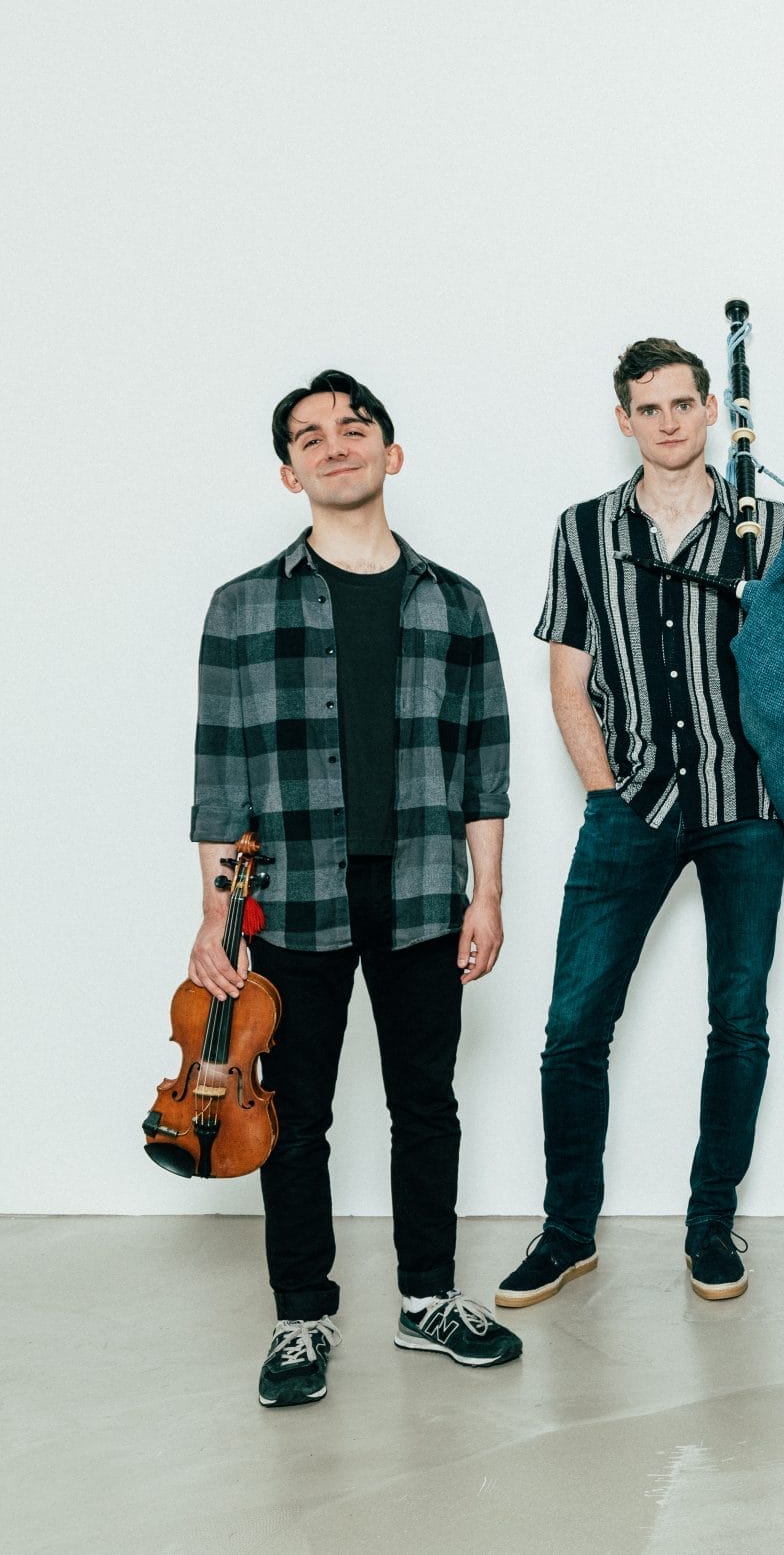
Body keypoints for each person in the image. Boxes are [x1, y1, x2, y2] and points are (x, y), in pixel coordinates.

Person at [192, 370, 519, 1408]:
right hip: (289, 898)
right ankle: (302, 1321)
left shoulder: (455, 603)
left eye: (354, 427)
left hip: (425, 889)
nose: (335, 444)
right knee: (293, 1114)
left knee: (427, 1103)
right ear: (289, 470)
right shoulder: (242, 606)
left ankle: (429, 1302)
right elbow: (220, 773)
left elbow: (485, 762)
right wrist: (214, 917)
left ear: (392, 451)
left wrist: (489, 893)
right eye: (310, 436)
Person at [497, 337, 784, 1309]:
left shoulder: (773, 527)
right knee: (574, 1029)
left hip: (746, 807)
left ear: (708, 411)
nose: (669, 422)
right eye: (648, 408)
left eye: (684, 404)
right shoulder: (581, 531)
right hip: (634, 800)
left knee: (737, 1022)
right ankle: (568, 1233)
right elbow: (567, 683)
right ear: (625, 420)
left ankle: (709, 1226)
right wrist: (606, 790)